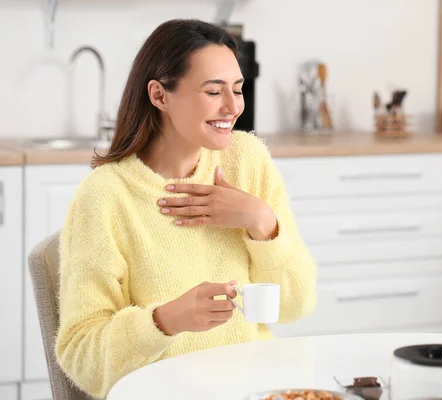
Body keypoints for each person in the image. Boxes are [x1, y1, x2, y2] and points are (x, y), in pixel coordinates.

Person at [55, 19, 317, 399]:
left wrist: (261, 221)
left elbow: (297, 304)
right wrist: (164, 321)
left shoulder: (247, 162)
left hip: (255, 387)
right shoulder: (105, 196)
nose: (232, 107)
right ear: (159, 95)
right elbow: (81, 355)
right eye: (214, 91)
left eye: (238, 90)